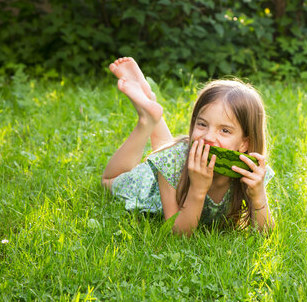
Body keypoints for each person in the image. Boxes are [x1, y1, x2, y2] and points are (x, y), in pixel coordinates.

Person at [102, 57, 275, 235]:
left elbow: (265, 233)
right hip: (148, 185)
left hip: (174, 163)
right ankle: (147, 121)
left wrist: (258, 195)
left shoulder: (251, 172)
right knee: (108, 181)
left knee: (173, 153)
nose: (208, 137)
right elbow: (179, 233)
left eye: (224, 130)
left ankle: (153, 111)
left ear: (244, 143)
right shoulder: (172, 161)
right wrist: (198, 190)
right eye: (202, 124)